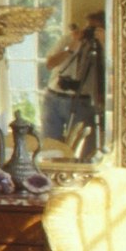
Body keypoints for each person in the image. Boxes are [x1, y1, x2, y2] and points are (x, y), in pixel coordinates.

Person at [42, 11, 105, 148]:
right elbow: (49, 64)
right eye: (87, 27)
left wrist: (104, 43)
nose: (88, 32)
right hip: (53, 98)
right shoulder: (69, 39)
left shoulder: (104, 46)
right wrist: (70, 49)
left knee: (80, 148)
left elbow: (114, 68)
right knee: (50, 146)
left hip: (82, 101)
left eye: (94, 29)